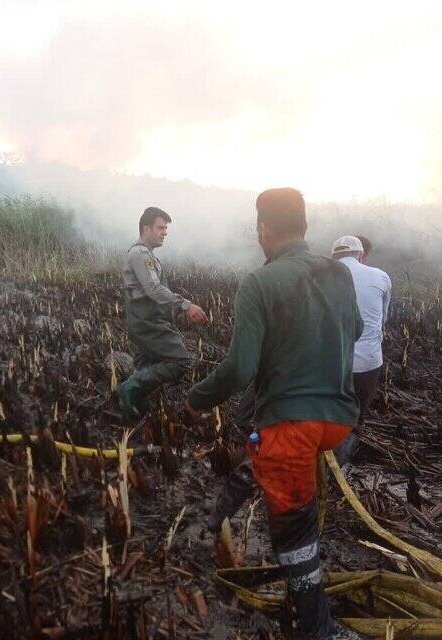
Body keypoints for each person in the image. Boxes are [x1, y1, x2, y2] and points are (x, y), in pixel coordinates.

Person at [186, 189, 363, 640]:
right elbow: (356, 328)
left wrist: (197, 398)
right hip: (342, 424)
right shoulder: (340, 273)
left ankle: (318, 629)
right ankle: (217, 516)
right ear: (304, 225)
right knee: (262, 450)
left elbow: (240, 368)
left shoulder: (259, 283)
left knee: (294, 532)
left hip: (292, 426)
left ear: (263, 228)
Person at [116, 207, 208, 420]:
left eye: (166, 229)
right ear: (146, 228)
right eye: (160, 228)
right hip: (148, 324)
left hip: (147, 322)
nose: (164, 232)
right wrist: (186, 305)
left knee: (145, 367)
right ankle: (129, 388)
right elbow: (154, 289)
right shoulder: (140, 254)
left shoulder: (148, 255)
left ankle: (135, 410)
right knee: (181, 360)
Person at [331, 235, 391, 466]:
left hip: (331, 364)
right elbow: (382, 320)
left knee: (329, 415)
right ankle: (340, 467)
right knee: (355, 421)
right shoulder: (381, 276)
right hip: (368, 363)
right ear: (361, 255)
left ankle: (328, 468)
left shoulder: (319, 278)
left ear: (333, 256)